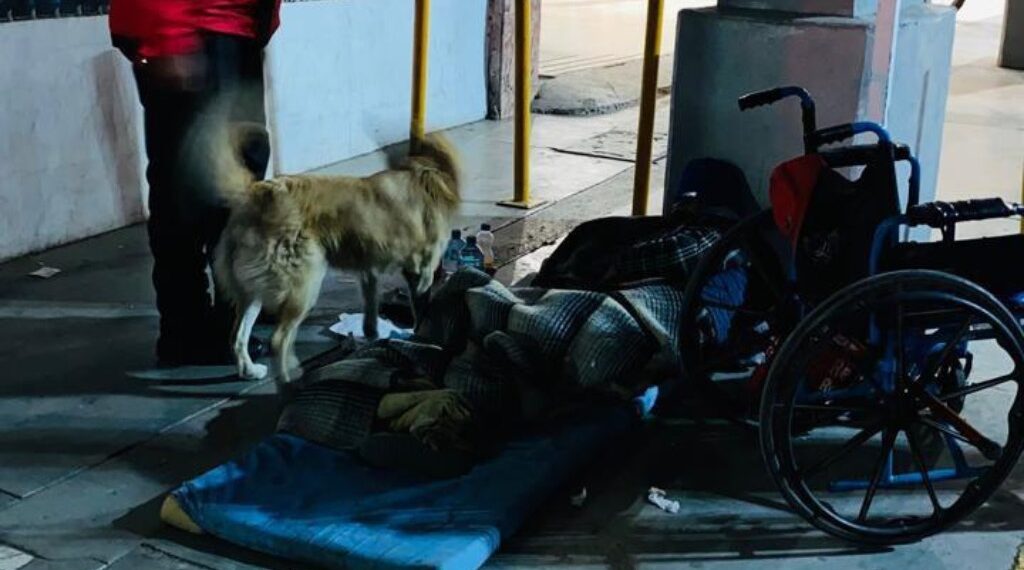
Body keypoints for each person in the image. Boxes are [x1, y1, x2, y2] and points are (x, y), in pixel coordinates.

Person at [109, 0, 281, 365]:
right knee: (195, 192)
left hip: (229, 32)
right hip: (196, 34)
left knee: (232, 182)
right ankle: (190, 330)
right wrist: (169, 37)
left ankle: (224, 318)